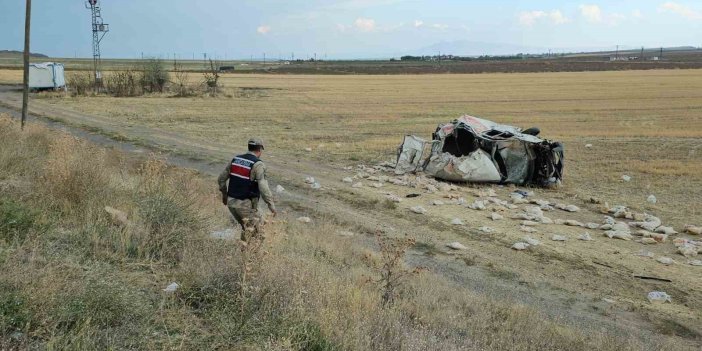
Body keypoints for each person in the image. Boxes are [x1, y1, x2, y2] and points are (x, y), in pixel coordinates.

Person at [218, 138, 277, 241]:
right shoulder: (258, 164)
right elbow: (263, 186)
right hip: (245, 205)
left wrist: (224, 195)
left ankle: (244, 252)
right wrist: (271, 204)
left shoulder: (235, 159)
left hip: (231, 203)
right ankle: (251, 255)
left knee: (247, 229)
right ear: (259, 149)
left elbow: (221, 179)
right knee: (259, 234)